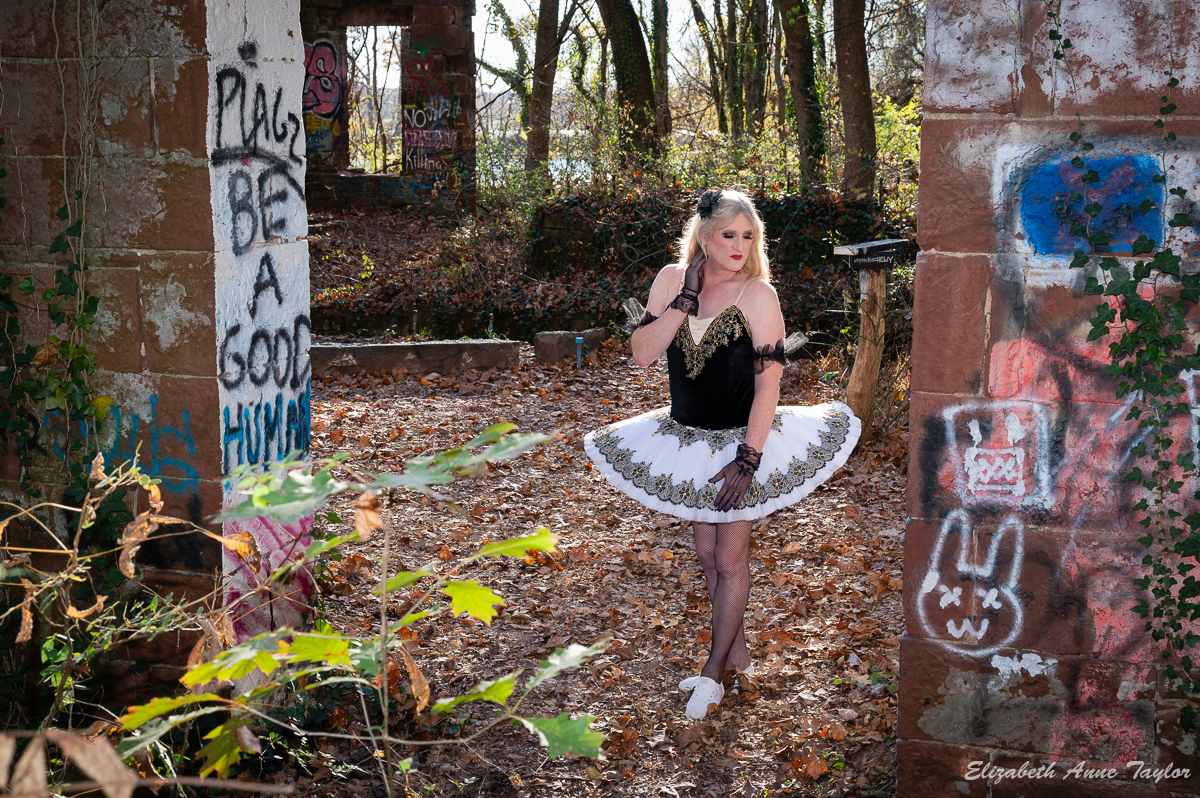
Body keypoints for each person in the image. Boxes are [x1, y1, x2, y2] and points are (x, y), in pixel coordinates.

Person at [583, 189, 861, 720]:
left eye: (748, 235)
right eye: (728, 234)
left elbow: (769, 388)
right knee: (708, 557)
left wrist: (748, 459)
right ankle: (738, 658)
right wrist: (684, 299)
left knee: (730, 558)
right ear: (705, 236)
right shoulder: (671, 279)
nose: (739, 245)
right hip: (685, 439)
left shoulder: (758, 295)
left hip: (744, 441)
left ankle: (712, 674)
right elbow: (642, 356)